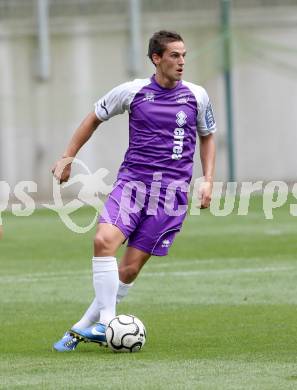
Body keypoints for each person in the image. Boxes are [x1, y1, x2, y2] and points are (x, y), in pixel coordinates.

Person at [52, 30, 216, 351]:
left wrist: (208, 177)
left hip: (171, 197)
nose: (182, 62)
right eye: (174, 55)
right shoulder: (133, 91)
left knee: (128, 269)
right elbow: (93, 118)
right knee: (103, 241)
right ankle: (107, 323)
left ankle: (80, 329)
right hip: (133, 186)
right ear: (156, 58)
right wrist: (67, 157)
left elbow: (207, 135)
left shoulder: (197, 96)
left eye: (184, 55)